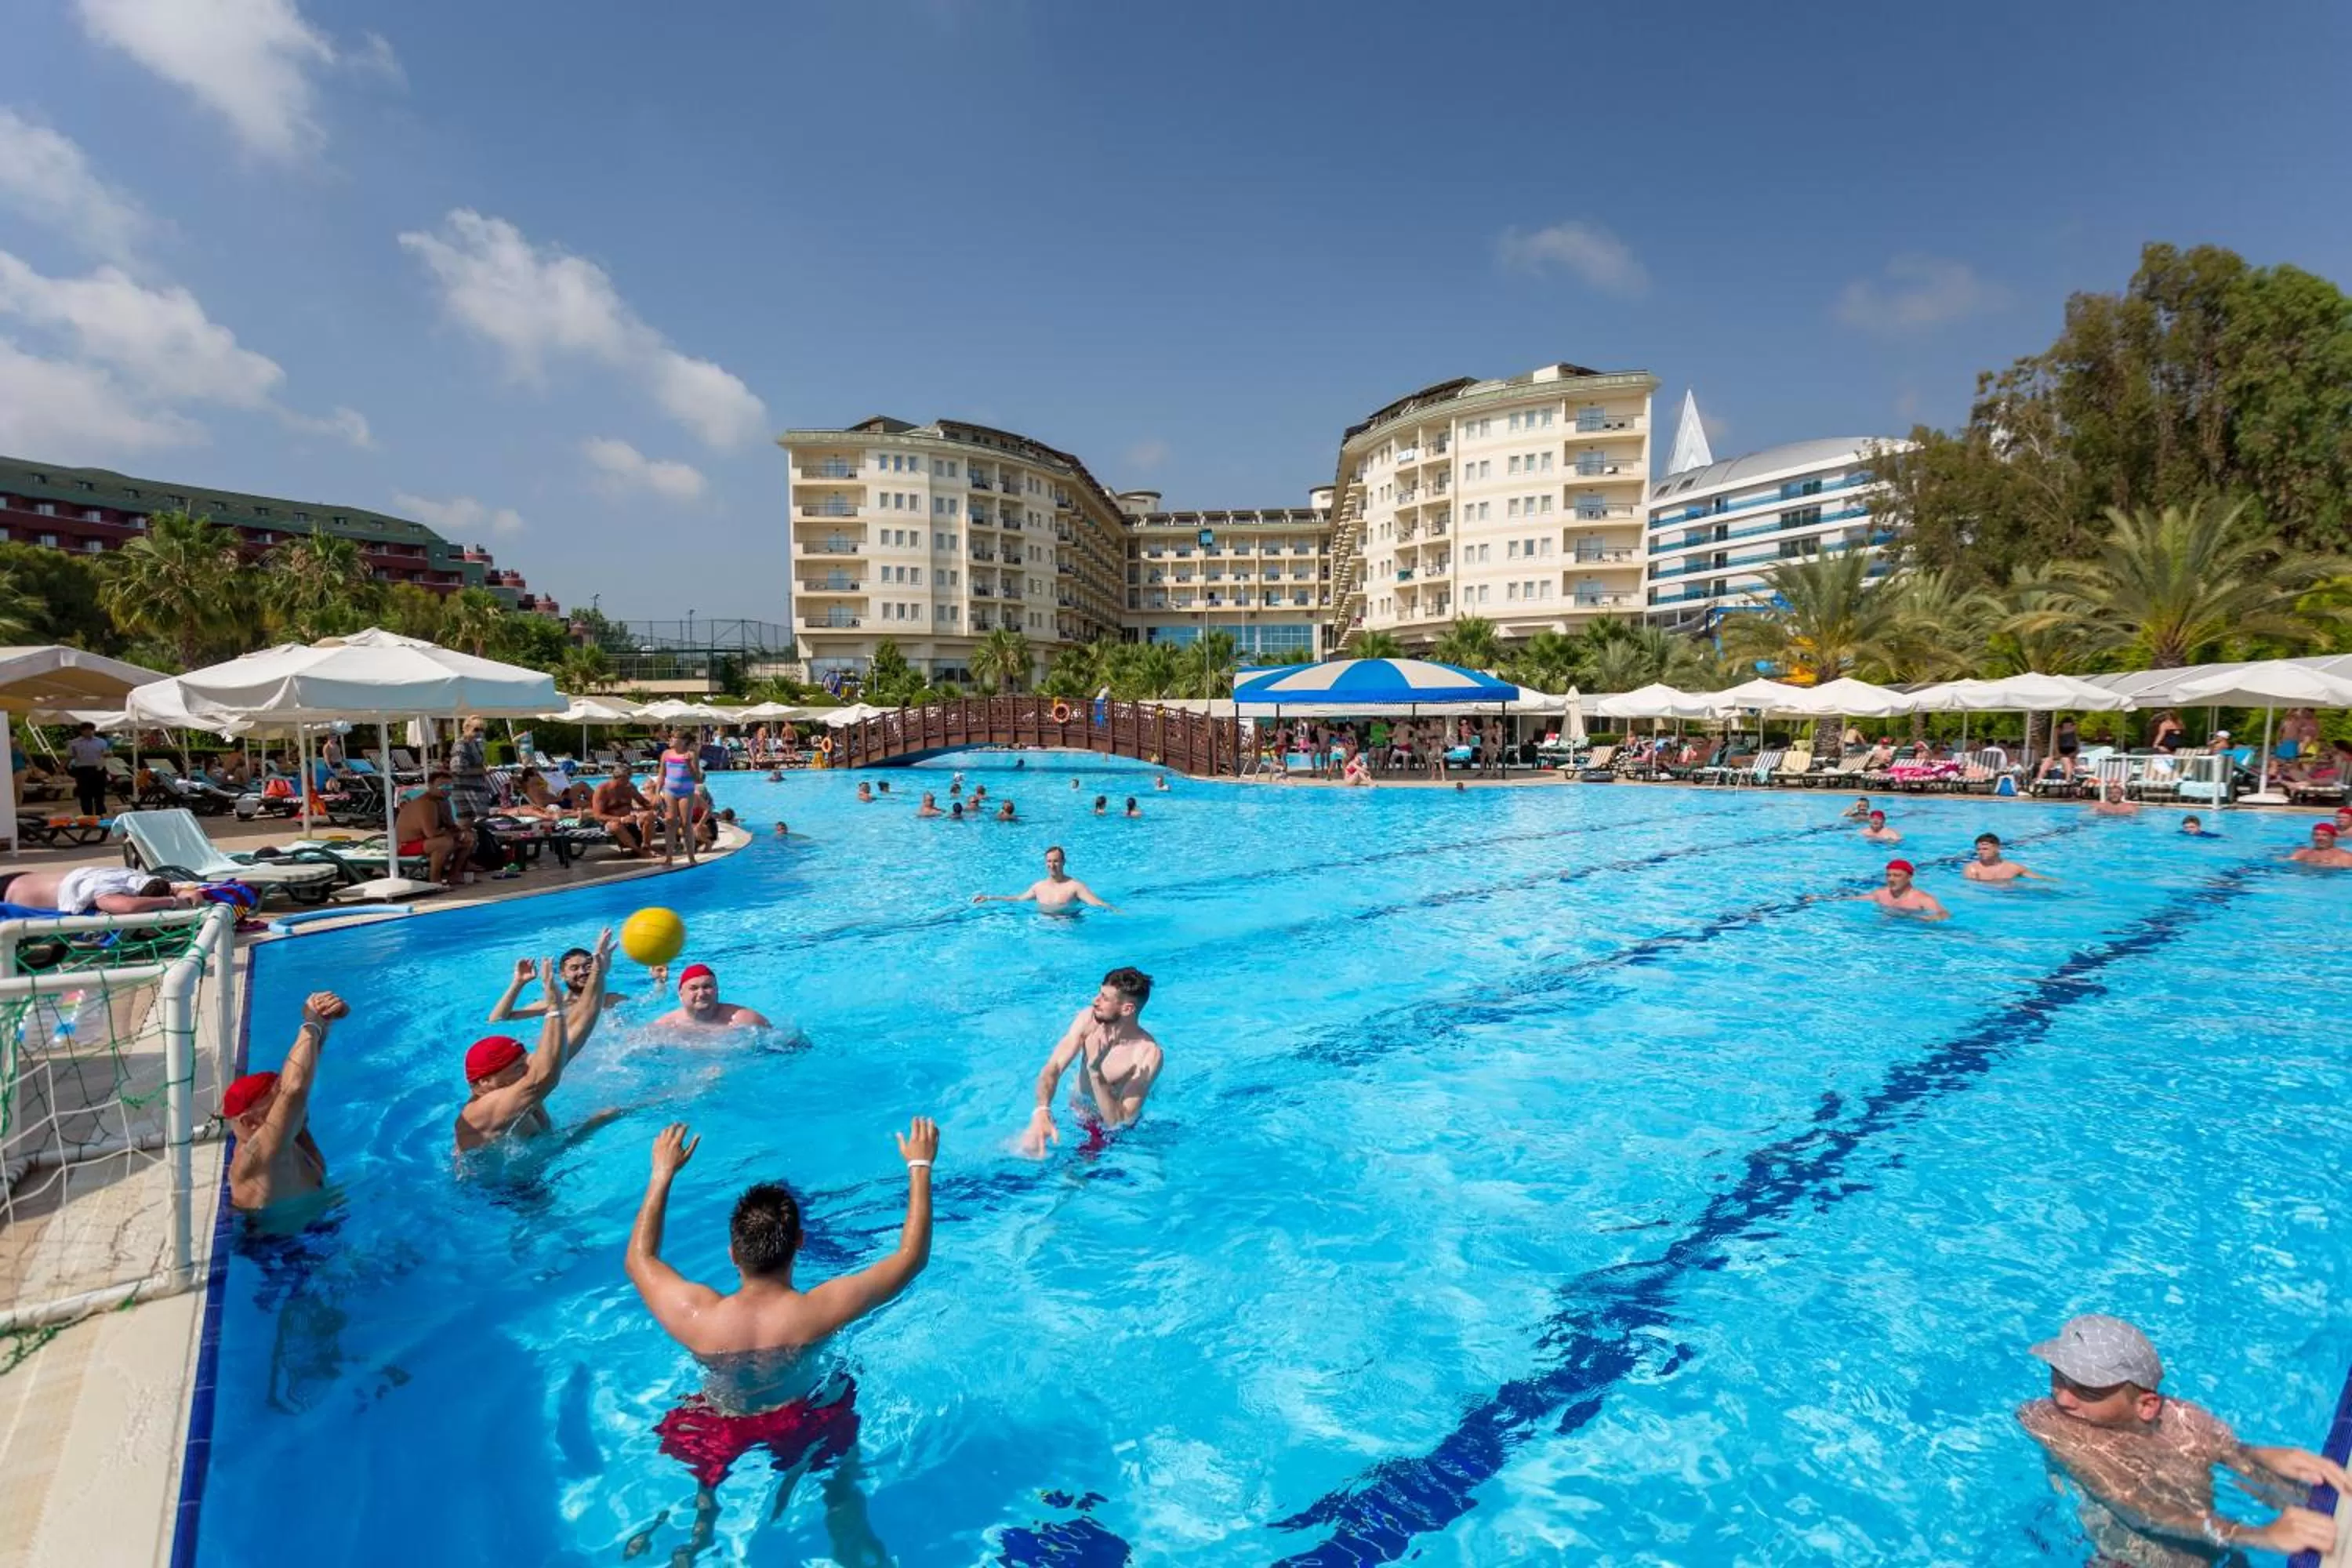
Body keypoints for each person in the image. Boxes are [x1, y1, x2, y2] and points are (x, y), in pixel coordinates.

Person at [623, 1117, 938, 1562]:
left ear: (732, 1253)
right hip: (802, 1418)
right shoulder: (815, 1313)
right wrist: (920, 1164)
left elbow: (640, 1260)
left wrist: (661, 1173)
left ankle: (699, 1533)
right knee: (841, 1480)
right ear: (800, 1244)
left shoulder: (699, 1317)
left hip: (714, 1419)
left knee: (704, 1489)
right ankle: (850, 1536)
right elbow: (911, 1258)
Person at [2016, 1313, 2343, 1564]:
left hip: (2209, 1547)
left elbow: (2235, 1457)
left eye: (2086, 1391)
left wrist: (2266, 1459)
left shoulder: (2182, 1417)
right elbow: (2141, 1511)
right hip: (2127, 1559)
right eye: (2057, 1377)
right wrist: (2260, 1535)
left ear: (2147, 1405)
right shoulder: (2054, 1427)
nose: (2062, 1398)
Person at [224, 991, 348, 1213]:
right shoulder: (256, 1156)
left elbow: (297, 1079)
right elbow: (293, 1090)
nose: (289, 1104)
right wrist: (310, 1024)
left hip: (317, 1228)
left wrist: (323, 1022)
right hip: (284, 1247)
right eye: (278, 1099)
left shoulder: (291, 1134)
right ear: (251, 1121)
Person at [454, 958, 594, 1153]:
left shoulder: (514, 1089)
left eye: (526, 1062)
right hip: (499, 1185)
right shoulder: (484, 1109)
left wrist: (599, 974)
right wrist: (554, 1008)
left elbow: (574, 1036)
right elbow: (546, 1075)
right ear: (485, 1081)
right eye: (519, 1067)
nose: (529, 1068)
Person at [1018, 967, 1163, 1153]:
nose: (1095, 1001)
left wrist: (1096, 1072)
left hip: (1106, 1130)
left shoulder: (1147, 1054)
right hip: (1075, 1110)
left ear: (1127, 1009)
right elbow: (1053, 1067)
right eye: (1099, 993)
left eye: (1105, 998)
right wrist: (1041, 1110)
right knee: (1021, 1149)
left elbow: (1120, 1121)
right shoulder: (1089, 1020)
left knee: (1071, 1176)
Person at [489, 931, 626, 1020]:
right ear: (563, 975)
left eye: (588, 966)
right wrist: (518, 983)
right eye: (574, 968)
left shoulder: (613, 1000)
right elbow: (497, 1020)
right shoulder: (552, 1005)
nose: (582, 972)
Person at [0, 867, 203, 915]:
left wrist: (180, 891)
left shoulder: (131, 876)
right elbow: (128, 907)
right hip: (8, 896)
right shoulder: (108, 891)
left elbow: (166, 885)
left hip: (21, 879)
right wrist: (171, 901)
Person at [971, 845, 1115, 913]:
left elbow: (1097, 903)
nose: (1052, 865)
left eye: (1056, 861)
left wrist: (1117, 911)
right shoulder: (1039, 887)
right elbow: (1017, 899)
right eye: (1049, 861)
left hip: (1068, 929)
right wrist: (990, 898)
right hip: (1042, 928)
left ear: (1064, 862)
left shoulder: (1075, 887)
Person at [395, 770, 470, 884]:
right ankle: (435, 881)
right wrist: (456, 834)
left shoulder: (444, 802)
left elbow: (450, 825)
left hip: (423, 842)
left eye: (449, 786)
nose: (446, 789)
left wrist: (462, 832)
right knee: (444, 842)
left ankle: (453, 875)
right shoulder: (426, 803)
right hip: (405, 846)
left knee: (469, 838)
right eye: (442, 786)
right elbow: (431, 833)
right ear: (430, 786)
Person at [651, 963, 774, 1030]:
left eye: (707, 987)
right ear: (681, 995)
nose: (702, 993)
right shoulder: (666, 1025)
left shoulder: (745, 1020)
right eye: (694, 988)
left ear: (717, 991)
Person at [655, 729, 702, 867]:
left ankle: (691, 858)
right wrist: (658, 792)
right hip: (670, 791)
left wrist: (688, 763)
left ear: (683, 741)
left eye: (673, 737)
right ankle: (669, 858)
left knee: (685, 823)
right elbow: (661, 775)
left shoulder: (692, 755)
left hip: (686, 791)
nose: (670, 739)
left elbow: (698, 779)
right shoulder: (666, 754)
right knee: (670, 822)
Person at [592, 764, 655, 858]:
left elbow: (643, 802)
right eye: (627, 779)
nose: (629, 781)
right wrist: (621, 819)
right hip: (610, 822)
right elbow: (597, 815)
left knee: (649, 815)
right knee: (615, 825)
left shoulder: (629, 787)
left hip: (630, 820)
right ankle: (639, 851)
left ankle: (646, 847)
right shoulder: (603, 790)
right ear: (618, 777)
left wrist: (657, 809)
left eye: (629, 778)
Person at [1856, 858, 1947, 921]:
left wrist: (1925, 918)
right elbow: (1855, 899)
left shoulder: (1923, 899)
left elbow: (1944, 915)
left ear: (1909, 877)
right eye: (1889, 875)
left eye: (1897, 876)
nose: (1891, 879)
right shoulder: (1880, 894)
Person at [1962, 833, 2050, 883]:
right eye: (1978, 849)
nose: (1980, 852)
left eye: (1985, 849)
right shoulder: (1972, 868)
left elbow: (2040, 878)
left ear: (1997, 848)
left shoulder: (2014, 868)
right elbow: (1973, 890)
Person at [64, 721, 110, 817]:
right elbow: (68, 757)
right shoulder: (74, 743)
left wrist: (107, 755)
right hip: (83, 769)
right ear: (82, 731)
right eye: (86, 730)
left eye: (91, 730)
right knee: (85, 793)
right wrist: (62, 769)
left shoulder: (101, 742)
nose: (89, 732)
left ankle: (100, 813)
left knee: (100, 792)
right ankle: (87, 814)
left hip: (98, 769)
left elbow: (108, 753)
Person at [2287, 820, 2352, 867]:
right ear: (2312, 837)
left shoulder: (2345, 857)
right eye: (2316, 835)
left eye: (2325, 835)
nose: (2319, 838)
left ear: (2334, 837)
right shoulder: (2302, 854)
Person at [2053, 715, 2081, 782]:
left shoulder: (2074, 728)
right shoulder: (2058, 729)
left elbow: (2076, 740)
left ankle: (2070, 778)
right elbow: (2055, 741)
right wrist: (2058, 753)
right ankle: (2068, 778)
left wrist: (2076, 751)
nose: (2068, 727)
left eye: (2069, 725)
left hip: (2072, 749)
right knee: (2067, 761)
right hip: (2062, 750)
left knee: (2073, 763)